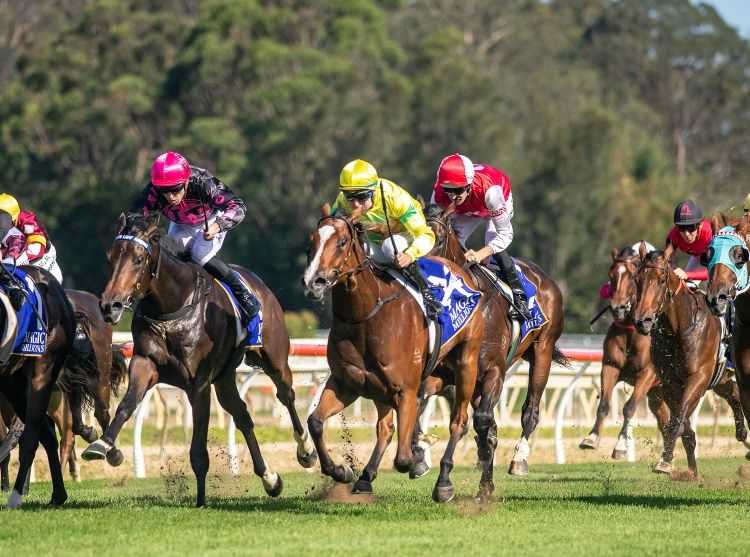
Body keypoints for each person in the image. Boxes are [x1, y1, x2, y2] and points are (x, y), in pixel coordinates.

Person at [130, 151, 259, 326]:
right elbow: (135, 217)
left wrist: (218, 225)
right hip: (181, 224)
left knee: (199, 254)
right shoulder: (154, 189)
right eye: (164, 191)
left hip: (212, 220)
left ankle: (243, 294)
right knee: (168, 256)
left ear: (186, 181)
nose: (170, 197)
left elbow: (238, 206)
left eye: (175, 189)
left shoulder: (203, 181)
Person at [331, 159, 441, 319]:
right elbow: (330, 230)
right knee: (354, 249)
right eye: (349, 196)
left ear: (373, 191)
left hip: (405, 237)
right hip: (374, 242)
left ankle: (427, 293)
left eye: (361, 197)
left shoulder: (395, 197)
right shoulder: (343, 200)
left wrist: (410, 255)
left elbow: (427, 234)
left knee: (389, 247)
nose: (355, 204)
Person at [431, 153, 530, 320]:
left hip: (494, 202)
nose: (452, 196)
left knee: (492, 241)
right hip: (468, 209)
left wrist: (480, 254)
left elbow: (505, 234)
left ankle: (519, 296)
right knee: (449, 240)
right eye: (448, 190)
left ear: (469, 185)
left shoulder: (491, 192)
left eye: (458, 190)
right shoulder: (439, 192)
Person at [0, 193, 63, 282]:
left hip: (42, 262)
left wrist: (13, 259)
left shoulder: (29, 220)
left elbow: (37, 248)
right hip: (15, 261)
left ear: (16, 217)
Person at [664, 199, 711, 283]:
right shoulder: (673, 236)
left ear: (700, 225)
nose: (686, 234)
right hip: (698, 258)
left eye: (691, 228)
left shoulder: (711, 234)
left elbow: (714, 271)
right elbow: (666, 264)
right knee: (685, 284)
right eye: (681, 228)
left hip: (722, 263)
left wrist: (688, 274)